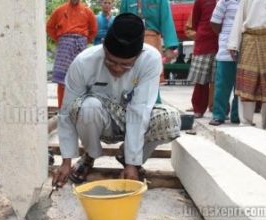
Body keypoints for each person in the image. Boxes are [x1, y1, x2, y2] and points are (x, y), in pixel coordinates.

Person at [52, 13, 181, 187]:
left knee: (170, 119)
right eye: (111, 62)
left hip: (130, 119)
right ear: (104, 48)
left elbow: (140, 109)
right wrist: (66, 162)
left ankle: (128, 157)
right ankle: (90, 155)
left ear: (139, 54)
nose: (118, 69)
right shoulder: (84, 62)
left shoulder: (150, 60)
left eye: (126, 65)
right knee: (87, 106)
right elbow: (66, 112)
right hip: (100, 120)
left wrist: (132, 163)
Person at [228, 0, 266, 127]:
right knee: (247, 84)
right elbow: (240, 16)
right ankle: (245, 122)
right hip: (250, 38)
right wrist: (233, 43)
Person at [46, 0, 97, 109]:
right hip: (64, 47)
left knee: (80, 78)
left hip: (80, 46)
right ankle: (61, 108)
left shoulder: (87, 11)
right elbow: (49, 27)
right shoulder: (59, 10)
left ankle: (78, 109)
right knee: (62, 80)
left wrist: (84, 42)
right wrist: (60, 40)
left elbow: (93, 30)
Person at [120, 0, 179, 85]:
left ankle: (154, 98)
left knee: (152, 78)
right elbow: (121, 22)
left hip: (152, 41)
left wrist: (170, 47)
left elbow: (167, 20)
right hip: (131, 43)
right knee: (131, 79)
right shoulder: (126, 1)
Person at [208, 0, 240, 126]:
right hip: (226, 49)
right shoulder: (224, 1)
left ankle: (237, 116)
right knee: (222, 86)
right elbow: (215, 22)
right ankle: (218, 115)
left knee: (241, 87)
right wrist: (227, 36)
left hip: (245, 48)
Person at [187, 0, 218, 119]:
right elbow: (194, 23)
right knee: (201, 80)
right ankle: (198, 109)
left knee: (219, 80)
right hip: (204, 43)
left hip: (221, 43)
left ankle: (218, 109)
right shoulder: (200, 1)